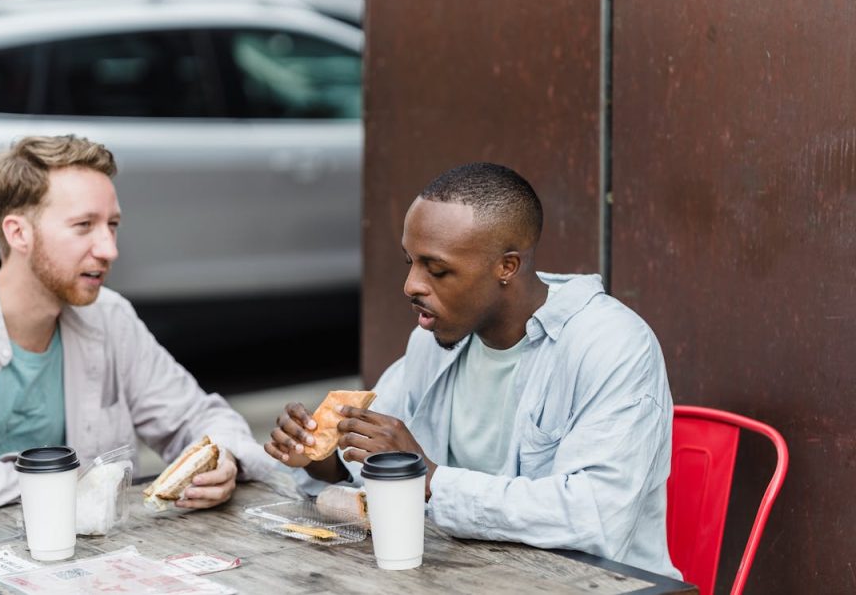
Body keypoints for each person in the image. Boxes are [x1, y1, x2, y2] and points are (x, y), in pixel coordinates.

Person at [0, 135, 275, 531]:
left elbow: (198, 417)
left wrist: (224, 458)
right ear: (18, 233)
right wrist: (56, 481)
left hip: (75, 561)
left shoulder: (111, 316)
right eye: (84, 226)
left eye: (112, 225)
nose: (109, 249)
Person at [266, 162, 680, 579]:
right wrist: (324, 461)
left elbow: (596, 519)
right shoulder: (433, 340)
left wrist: (430, 479)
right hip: (463, 578)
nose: (411, 285)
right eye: (410, 262)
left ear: (507, 266)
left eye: (437, 269)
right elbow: (379, 466)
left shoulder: (612, 346)